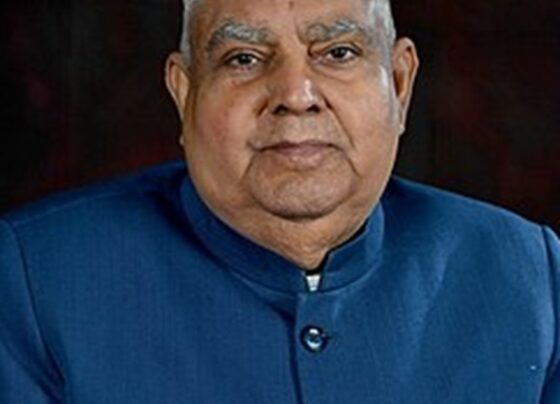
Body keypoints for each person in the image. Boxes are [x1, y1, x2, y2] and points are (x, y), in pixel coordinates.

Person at [1, 0, 558, 402]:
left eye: (338, 52)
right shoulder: (33, 281)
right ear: (184, 92)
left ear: (399, 83)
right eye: (243, 58)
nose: (296, 95)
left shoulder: (533, 277)